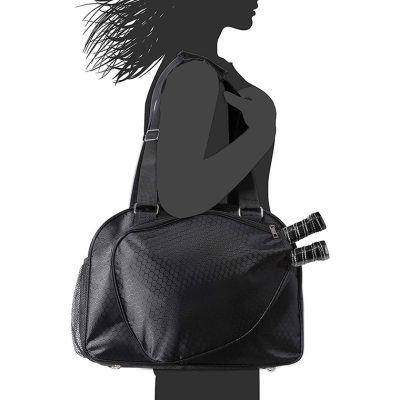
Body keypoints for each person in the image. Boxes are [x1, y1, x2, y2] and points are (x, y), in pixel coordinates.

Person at [83, 1, 276, 398]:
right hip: (208, 312)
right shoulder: (194, 75)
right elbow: (182, 195)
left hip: (204, 308)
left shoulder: (202, 71)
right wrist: (260, 133)